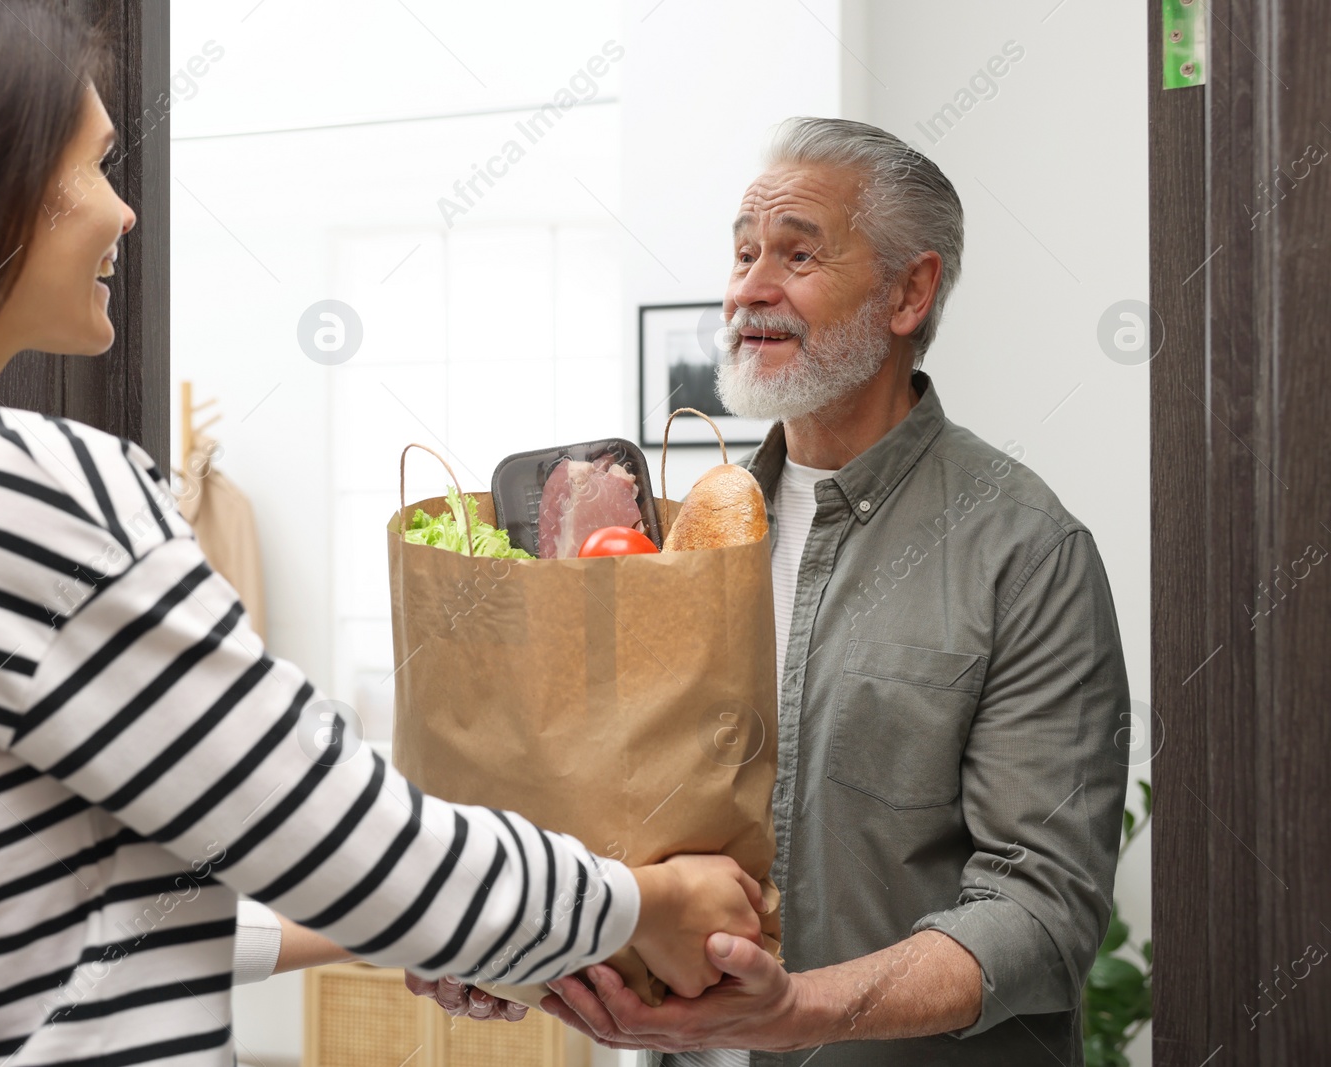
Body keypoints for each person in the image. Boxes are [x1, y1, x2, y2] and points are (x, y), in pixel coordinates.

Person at [0, 3, 766, 1062]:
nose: (125, 212)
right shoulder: (8, 488)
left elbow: (37, 925)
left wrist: (483, 923)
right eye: (95, 165)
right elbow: (352, 837)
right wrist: (647, 901)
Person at [417, 117, 1132, 1066]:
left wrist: (792, 1010)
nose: (750, 287)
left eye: (798, 254)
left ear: (909, 291)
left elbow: (1041, 918)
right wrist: (516, 934)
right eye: (745, 252)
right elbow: (614, 810)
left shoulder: (1028, 551)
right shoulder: (675, 538)